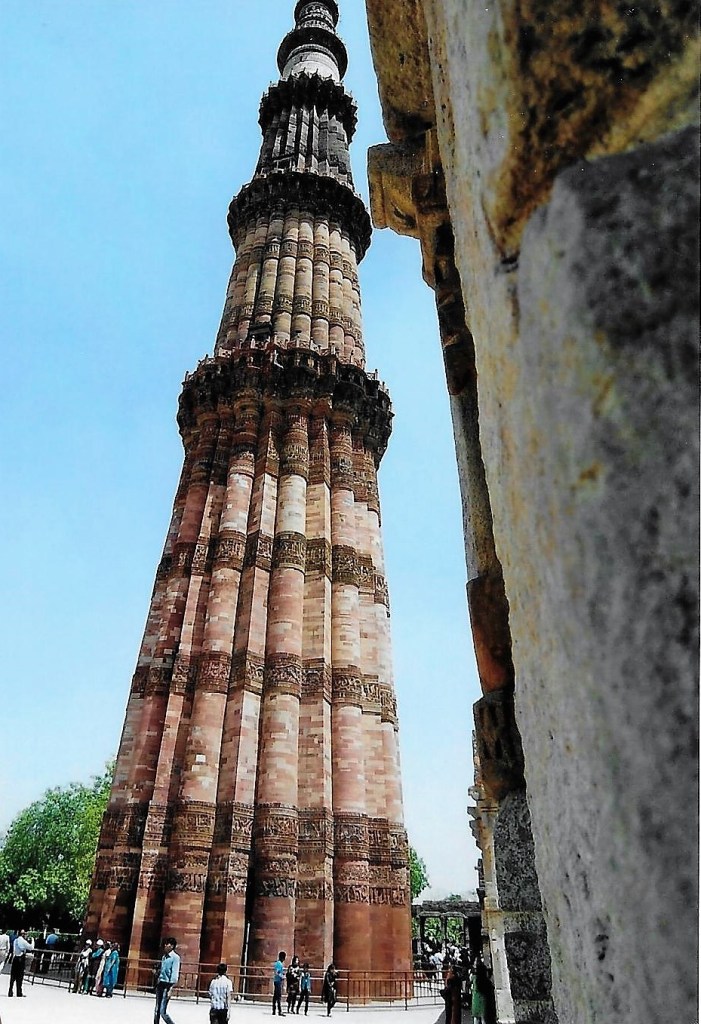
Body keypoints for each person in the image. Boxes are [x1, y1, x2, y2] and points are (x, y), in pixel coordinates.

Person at [154, 937, 181, 1024]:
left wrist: (171, 988)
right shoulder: (164, 957)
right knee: (157, 1009)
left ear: (172, 946)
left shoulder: (175, 958)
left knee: (162, 1011)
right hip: (160, 983)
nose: (165, 945)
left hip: (167, 985)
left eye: (167, 944)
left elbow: (174, 973)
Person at [8, 929, 34, 997]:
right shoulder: (23, 941)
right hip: (20, 959)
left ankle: (10, 990)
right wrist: (33, 940)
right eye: (25, 934)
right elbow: (31, 947)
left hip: (15, 958)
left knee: (13, 975)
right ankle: (19, 992)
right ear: (23, 934)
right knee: (20, 976)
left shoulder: (15, 941)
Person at [470, 954, 491, 1024]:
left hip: (475, 1000)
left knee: (476, 1019)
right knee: (483, 1019)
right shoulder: (486, 980)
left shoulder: (474, 978)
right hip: (483, 1000)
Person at [272, 951, 286, 1016]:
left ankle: (274, 1010)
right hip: (278, 981)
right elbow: (277, 972)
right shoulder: (279, 964)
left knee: (275, 996)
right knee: (278, 996)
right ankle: (279, 1011)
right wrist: (282, 976)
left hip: (276, 980)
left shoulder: (277, 963)